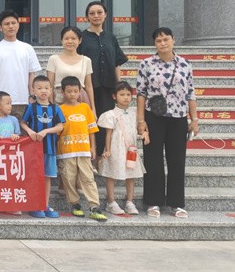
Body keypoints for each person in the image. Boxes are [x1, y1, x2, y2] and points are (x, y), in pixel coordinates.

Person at [136, 27, 197, 219]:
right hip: (153, 116)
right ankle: (153, 201)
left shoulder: (185, 64)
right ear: (154, 44)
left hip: (178, 117)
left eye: (166, 39)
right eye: (158, 40)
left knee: (177, 160)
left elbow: (190, 93)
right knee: (152, 159)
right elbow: (141, 93)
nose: (162, 43)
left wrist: (194, 119)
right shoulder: (146, 64)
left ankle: (176, 203)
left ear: (173, 40)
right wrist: (140, 120)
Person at [78, 1, 129, 157]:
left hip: (108, 87)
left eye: (99, 12)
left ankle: (105, 156)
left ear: (105, 15)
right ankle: (91, 157)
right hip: (88, 88)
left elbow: (116, 62)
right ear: (87, 17)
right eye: (92, 13)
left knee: (106, 122)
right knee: (90, 123)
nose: (96, 16)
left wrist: (119, 85)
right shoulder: (81, 37)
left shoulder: (110, 37)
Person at [57, 76, 107, 222]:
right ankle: (75, 204)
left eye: (75, 91)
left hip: (84, 150)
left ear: (80, 91)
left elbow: (91, 129)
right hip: (66, 151)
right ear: (62, 92)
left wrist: (93, 147)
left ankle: (94, 206)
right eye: (69, 91)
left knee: (88, 178)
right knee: (68, 178)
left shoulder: (85, 108)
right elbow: (57, 131)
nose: (72, 94)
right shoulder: (59, 109)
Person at [0, 10, 41, 121]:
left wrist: (32, 95)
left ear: (18, 25)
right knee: (1, 130)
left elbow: (31, 74)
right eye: (6, 24)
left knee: (22, 130)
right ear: (0, 28)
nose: (10, 26)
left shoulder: (27, 48)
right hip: (0, 100)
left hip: (22, 100)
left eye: (13, 23)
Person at [20, 76, 65, 219]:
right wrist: (30, 131)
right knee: (34, 177)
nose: (43, 91)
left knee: (47, 177)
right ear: (33, 90)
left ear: (51, 90)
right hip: (34, 149)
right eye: (39, 88)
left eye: (46, 88)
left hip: (50, 149)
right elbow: (23, 123)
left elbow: (60, 126)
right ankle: (34, 204)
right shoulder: (31, 107)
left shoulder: (55, 108)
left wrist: (46, 131)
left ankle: (44, 204)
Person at [98, 81, 145, 216]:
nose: (125, 97)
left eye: (128, 95)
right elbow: (108, 134)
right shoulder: (110, 114)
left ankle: (130, 201)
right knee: (111, 173)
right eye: (122, 94)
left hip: (130, 149)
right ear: (114, 96)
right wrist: (107, 149)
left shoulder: (135, 113)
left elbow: (140, 128)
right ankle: (111, 202)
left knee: (131, 174)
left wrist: (144, 133)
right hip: (115, 148)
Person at [47, 26, 96, 109]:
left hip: (80, 99)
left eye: (73, 38)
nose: (70, 41)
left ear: (80, 40)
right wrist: (50, 106)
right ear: (61, 40)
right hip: (59, 99)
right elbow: (50, 85)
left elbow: (89, 86)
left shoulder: (86, 60)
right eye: (66, 38)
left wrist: (93, 109)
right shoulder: (53, 59)